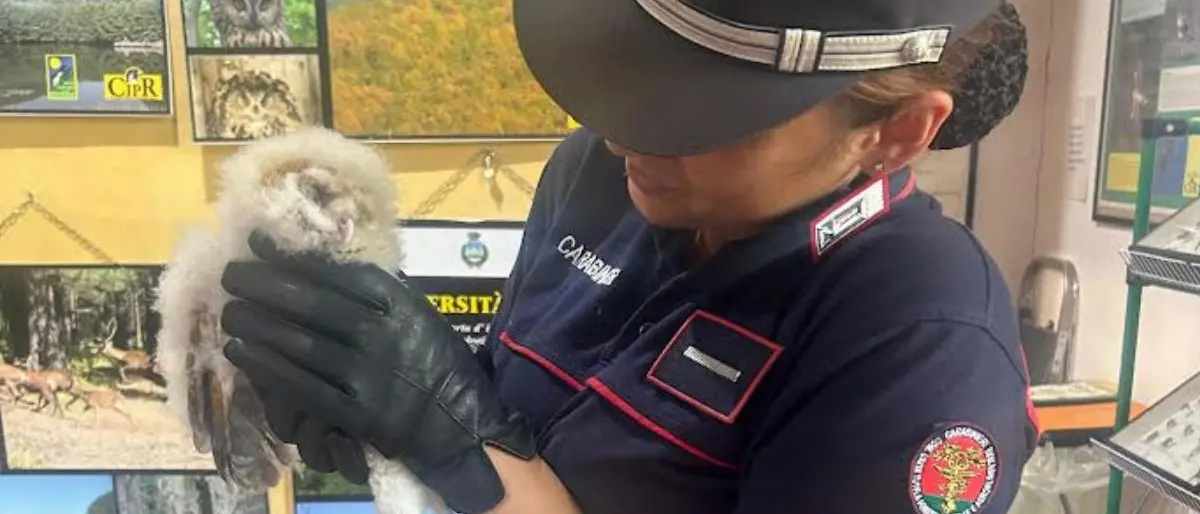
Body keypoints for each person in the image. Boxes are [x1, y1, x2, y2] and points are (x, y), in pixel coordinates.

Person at [218, 0, 1041, 512]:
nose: (627, 136)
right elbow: (529, 412)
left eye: (703, 117)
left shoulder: (921, 341)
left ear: (895, 133)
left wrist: (456, 442)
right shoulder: (601, 176)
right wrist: (379, 406)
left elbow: (490, 448)